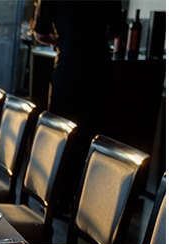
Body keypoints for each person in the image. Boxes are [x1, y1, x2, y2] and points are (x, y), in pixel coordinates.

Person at [33, 0, 127, 211]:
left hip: (69, 62)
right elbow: (119, 29)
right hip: (98, 67)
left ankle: (54, 197)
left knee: (61, 134)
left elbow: (39, 33)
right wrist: (93, 37)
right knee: (87, 135)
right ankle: (76, 199)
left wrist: (61, 39)